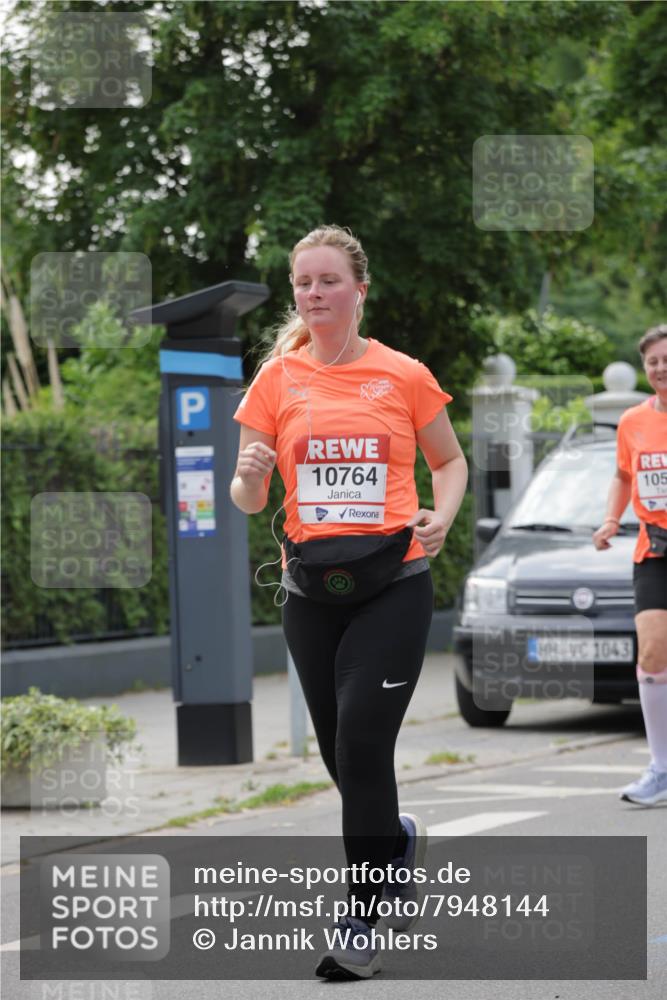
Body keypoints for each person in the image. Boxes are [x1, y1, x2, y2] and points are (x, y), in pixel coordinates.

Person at [230, 224, 468, 979]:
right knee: (342, 755)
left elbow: (450, 459)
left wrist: (442, 514)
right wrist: (251, 471)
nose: (314, 293)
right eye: (303, 283)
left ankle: (362, 916)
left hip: (392, 582)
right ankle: (393, 840)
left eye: (328, 280)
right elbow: (246, 499)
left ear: (358, 289)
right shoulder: (276, 379)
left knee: (364, 743)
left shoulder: (402, 374)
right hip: (310, 590)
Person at [593, 323, 667, 806]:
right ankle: (661, 768)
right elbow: (623, 475)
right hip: (654, 550)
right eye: (653, 362)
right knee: (653, 654)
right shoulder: (632, 421)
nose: (660, 368)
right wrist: (609, 519)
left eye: (666, 359)